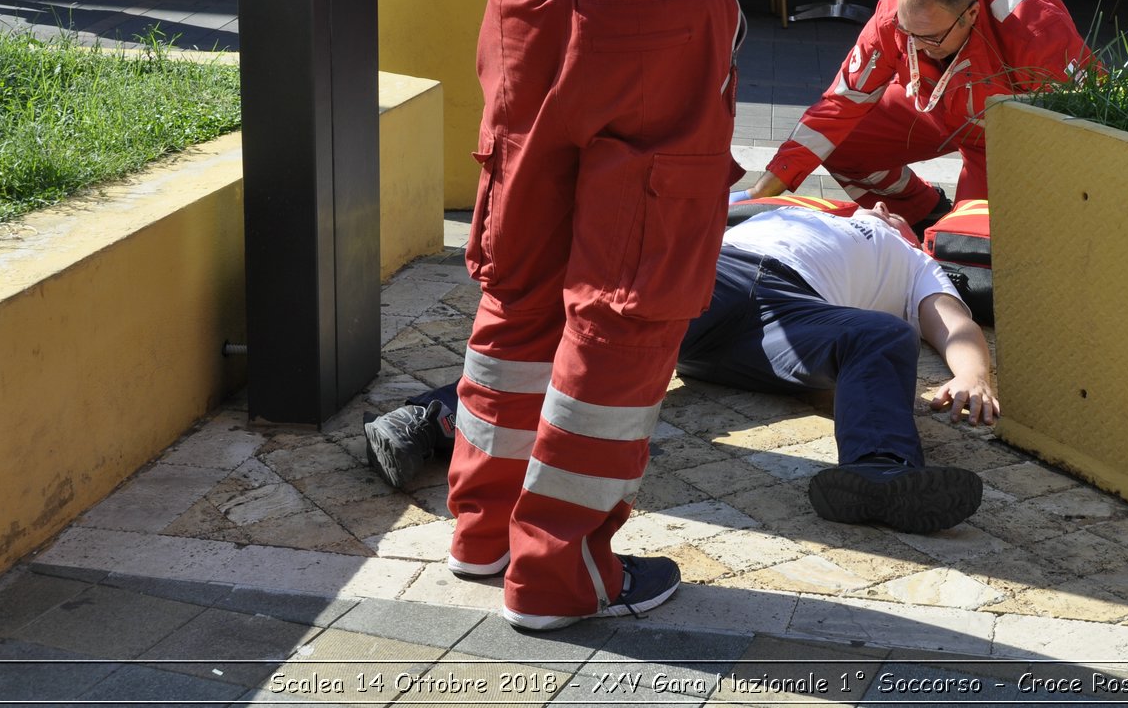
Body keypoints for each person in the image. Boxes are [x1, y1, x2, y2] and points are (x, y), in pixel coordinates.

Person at [429, 0, 813, 632]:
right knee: (631, 295)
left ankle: (483, 526)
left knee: (517, 273)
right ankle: (559, 570)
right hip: (653, 18)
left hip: (519, 11)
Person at [367, 202, 995, 534]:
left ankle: (878, 477)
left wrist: (973, 375)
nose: (882, 208)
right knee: (603, 340)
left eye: (896, 211)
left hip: (789, 320)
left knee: (884, 335)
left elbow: (954, 325)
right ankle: (428, 421)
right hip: (714, 271)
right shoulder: (793, 210)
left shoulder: (915, 262)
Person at [740, 0, 1093, 229]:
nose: (916, 46)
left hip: (1003, 142)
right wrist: (763, 190)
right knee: (838, 144)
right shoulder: (894, 15)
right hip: (929, 104)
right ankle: (920, 210)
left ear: (970, 14)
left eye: (931, 37)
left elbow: (1076, 129)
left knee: (971, 244)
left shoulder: (1034, 27)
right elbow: (842, 102)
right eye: (907, 32)